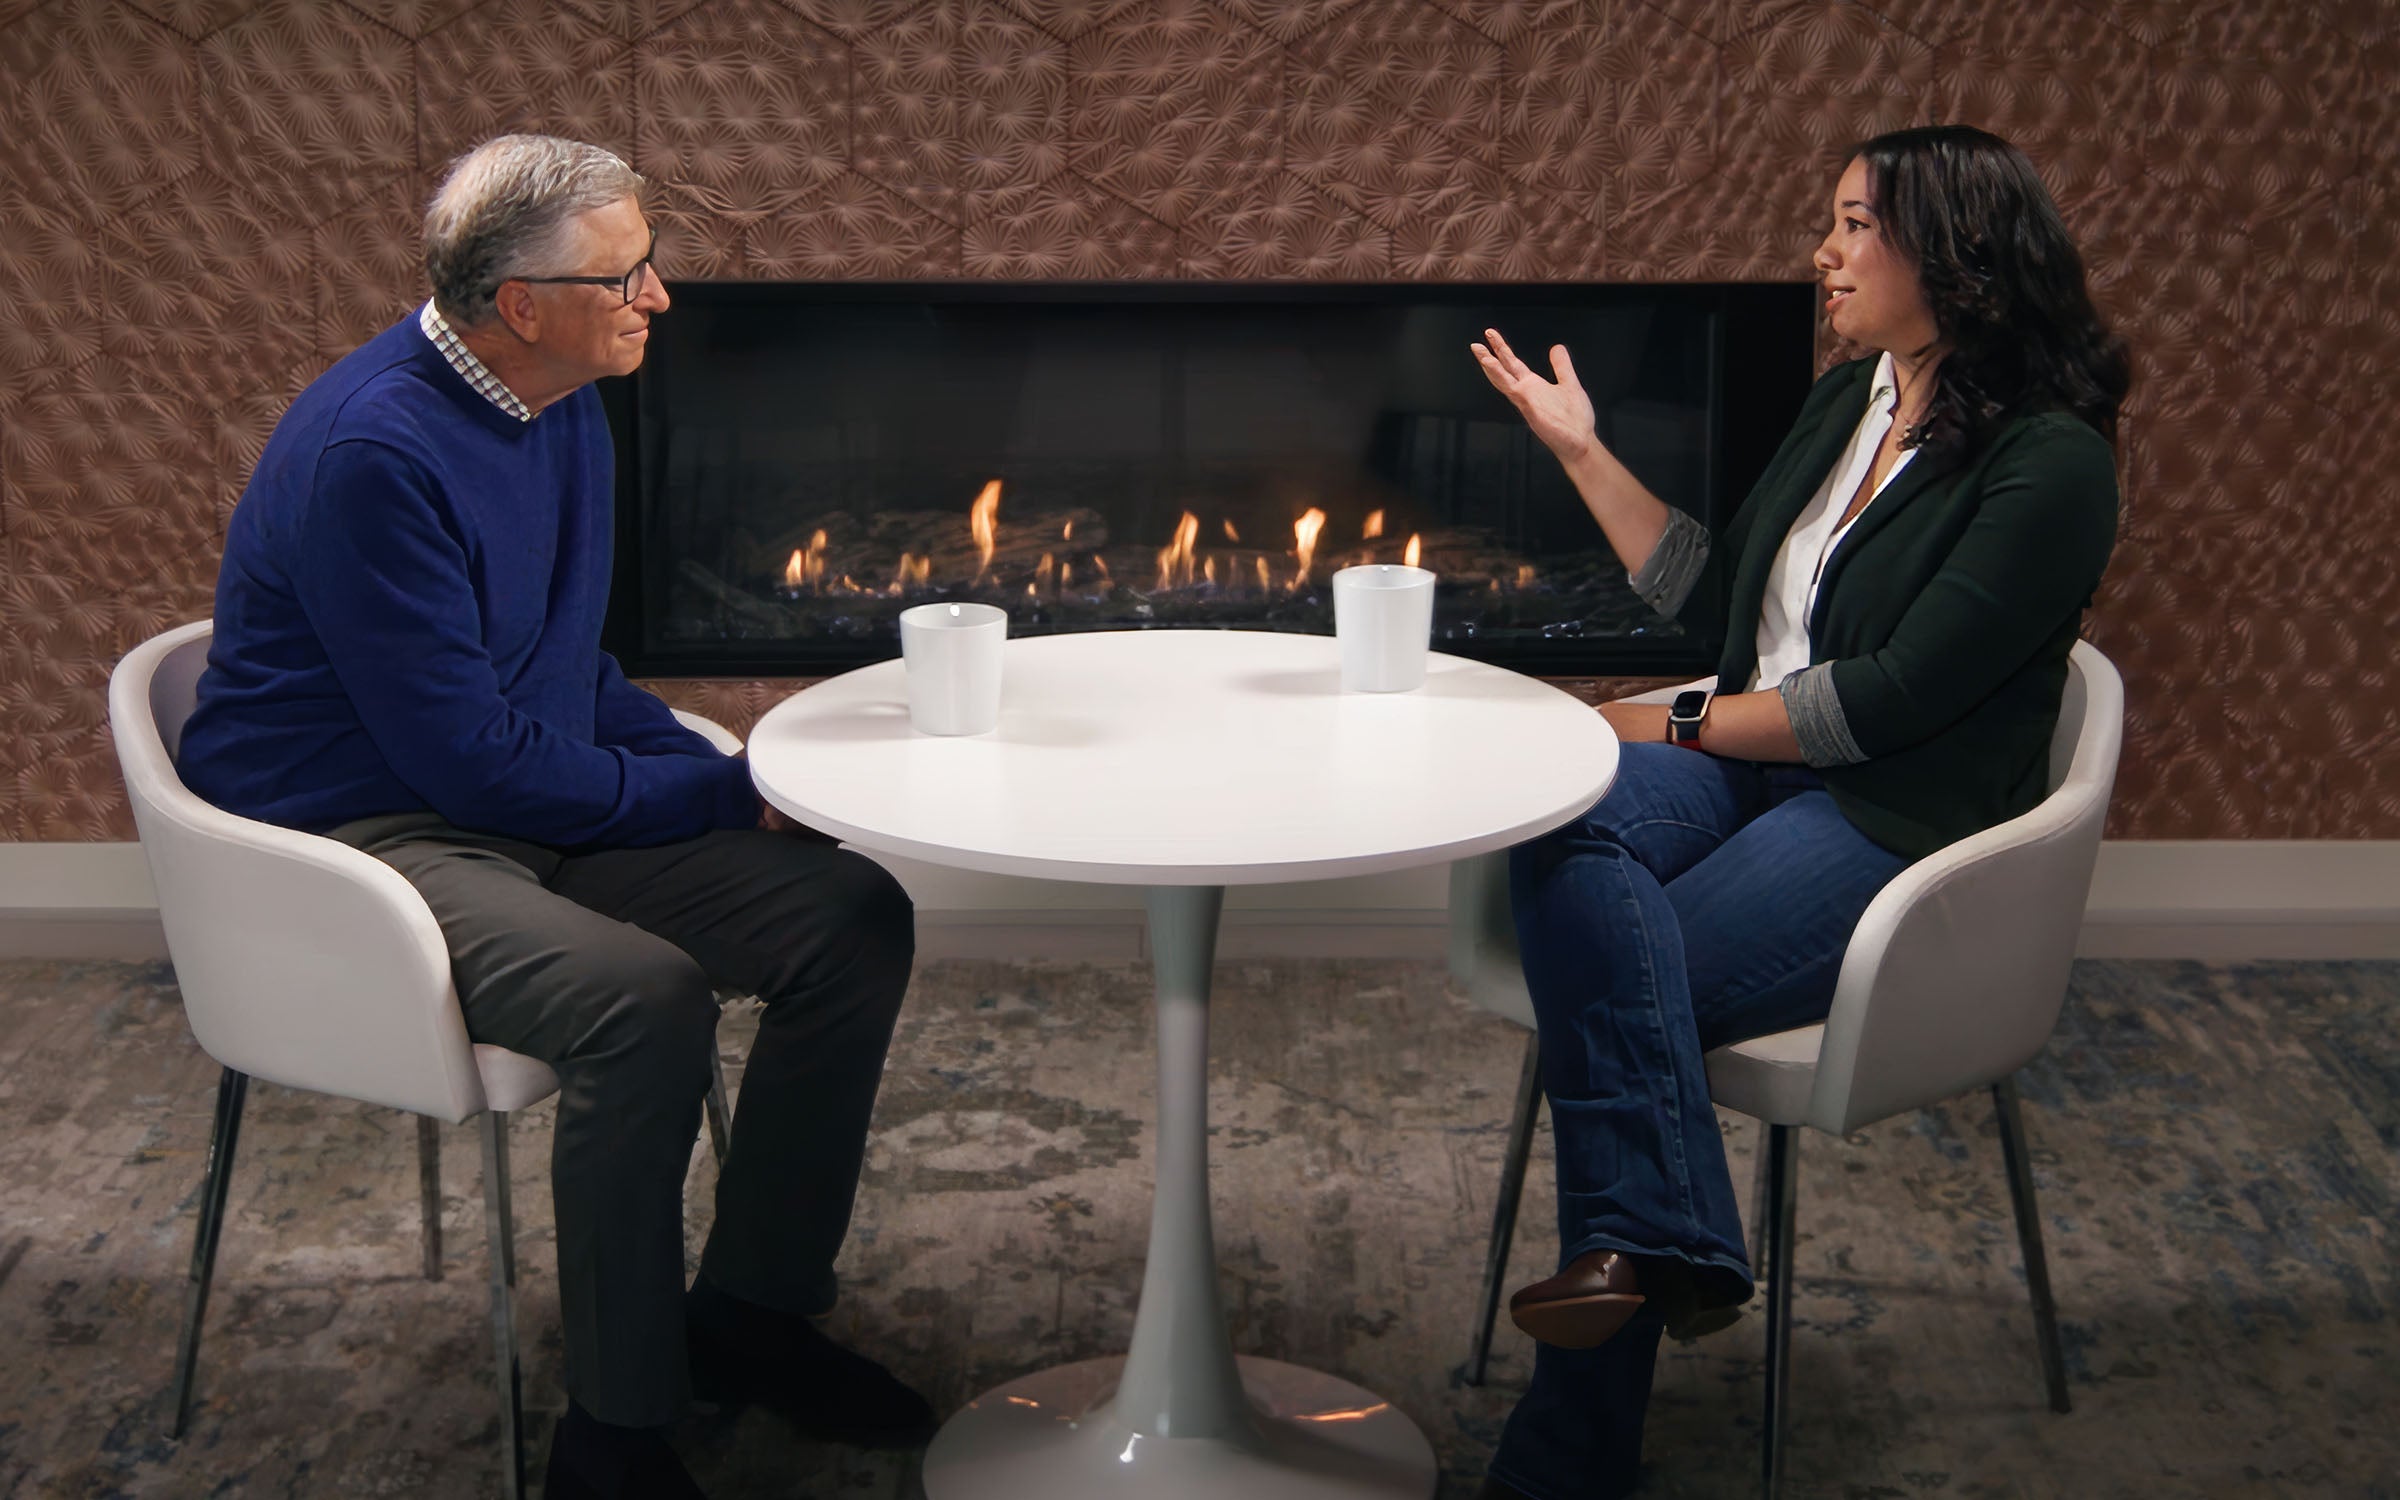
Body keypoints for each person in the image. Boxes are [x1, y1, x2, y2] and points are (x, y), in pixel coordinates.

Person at [175, 135, 930, 1500]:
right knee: (639, 1004)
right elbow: (465, 759)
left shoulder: (558, 397)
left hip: (505, 806)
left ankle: (749, 1313)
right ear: (519, 303)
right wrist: (710, 791)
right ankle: (615, 1435)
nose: (660, 300)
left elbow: (563, 670)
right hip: (358, 843)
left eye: (651, 264)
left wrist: (745, 776)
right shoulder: (374, 455)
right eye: (625, 276)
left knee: (851, 917)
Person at [1464, 124, 2129, 1499]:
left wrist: (1666, 719)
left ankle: (1569, 1451)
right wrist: (1583, 453)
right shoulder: (1850, 401)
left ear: (1953, 253)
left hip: (1891, 814)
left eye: (1851, 227)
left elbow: (1877, 705)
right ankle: (1675, 1237)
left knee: (1613, 981)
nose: (1821, 255)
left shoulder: (2050, 464)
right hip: (1751, 767)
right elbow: (1728, 609)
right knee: (1557, 821)